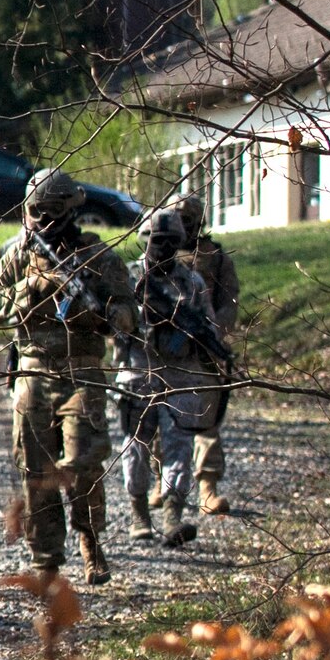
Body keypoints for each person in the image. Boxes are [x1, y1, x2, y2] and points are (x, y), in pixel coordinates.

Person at [0, 169, 137, 585]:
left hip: (83, 372)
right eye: (37, 212)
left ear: (69, 209)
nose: (43, 221)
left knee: (84, 462)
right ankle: (46, 561)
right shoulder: (17, 254)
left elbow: (127, 312)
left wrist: (101, 312)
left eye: (51, 212)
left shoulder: (97, 256)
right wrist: (28, 289)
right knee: (35, 471)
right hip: (33, 371)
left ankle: (90, 539)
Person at [117, 209, 224, 548]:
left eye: (169, 242)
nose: (161, 248)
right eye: (155, 241)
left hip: (179, 374)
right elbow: (112, 321)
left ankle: (173, 516)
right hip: (137, 371)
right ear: (143, 239)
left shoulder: (191, 282)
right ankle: (139, 514)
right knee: (136, 446)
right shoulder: (129, 277)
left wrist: (197, 337)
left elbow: (208, 323)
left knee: (179, 446)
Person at [171, 194, 238, 516]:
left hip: (203, 351)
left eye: (187, 220)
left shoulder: (217, 257)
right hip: (166, 352)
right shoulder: (158, 255)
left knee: (207, 420)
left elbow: (230, 303)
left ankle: (208, 487)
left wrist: (214, 329)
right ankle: (164, 485)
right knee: (162, 417)